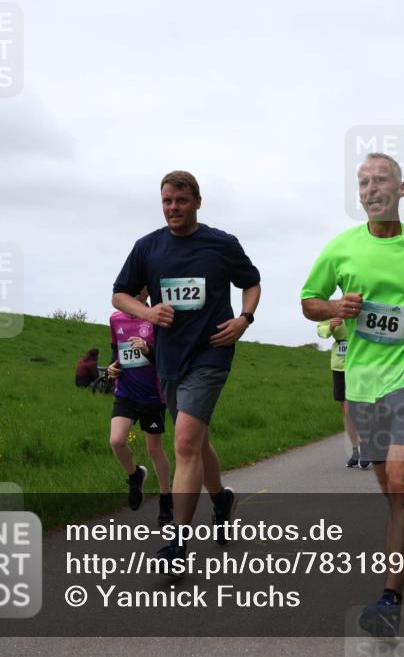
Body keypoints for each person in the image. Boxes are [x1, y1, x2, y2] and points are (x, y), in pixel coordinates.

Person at [300, 152, 404, 638]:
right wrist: (334, 304)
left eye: (380, 180)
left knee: (401, 471)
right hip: (363, 380)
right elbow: (308, 302)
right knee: (394, 491)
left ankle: (390, 598)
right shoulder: (340, 248)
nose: (371, 189)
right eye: (363, 182)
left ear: (402, 189)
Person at [113, 170, 261, 565]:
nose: (173, 208)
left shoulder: (221, 244)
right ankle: (221, 499)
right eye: (166, 201)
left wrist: (244, 320)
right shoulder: (148, 247)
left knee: (182, 444)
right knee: (196, 443)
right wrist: (147, 311)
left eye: (180, 201)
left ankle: (177, 544)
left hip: (211, 353)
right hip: (168, 358)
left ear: (197, 201)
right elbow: (119, 294)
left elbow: (252, 282)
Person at [105, 286, 173, 525]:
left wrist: (148, 350)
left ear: (146, 292)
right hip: (126, 391)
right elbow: (116, 352)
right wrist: (113, 367)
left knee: (155, 449)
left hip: (153, 394)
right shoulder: (115, 319)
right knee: (116, 441)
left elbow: (166, 357)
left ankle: (166, 499)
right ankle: (135, 476)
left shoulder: (156, 317)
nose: (133, 294)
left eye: (139, 289)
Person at [317, 317, 369, 469]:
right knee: (346, 410)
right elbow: (321, 331)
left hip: (361, 364)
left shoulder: (360, 308)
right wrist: (331, 327)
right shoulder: (332, 311)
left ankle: (366, 447)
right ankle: (355, 451)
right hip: (340, 366)